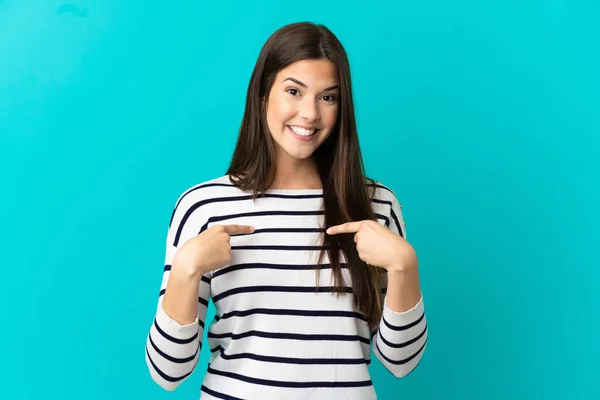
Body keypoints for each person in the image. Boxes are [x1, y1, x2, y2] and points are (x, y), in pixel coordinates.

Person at [144, 21, 428, 399]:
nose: (309, 113)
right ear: (263, 93)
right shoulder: (203, 206)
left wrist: (405, 265)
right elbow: (168, 372)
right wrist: (185, 269)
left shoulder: (376, 205)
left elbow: (401, 361)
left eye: (328, 97)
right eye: (294, 91)